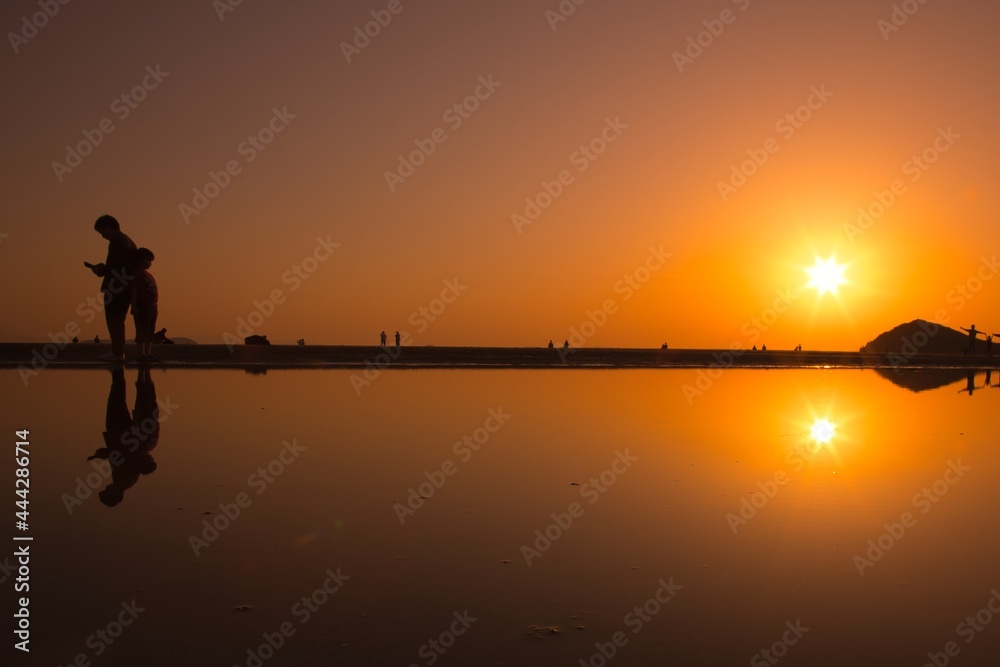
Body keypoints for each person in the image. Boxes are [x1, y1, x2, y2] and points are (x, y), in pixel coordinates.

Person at [85, 215, 137, 363]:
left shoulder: (117, 241)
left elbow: (115, 267)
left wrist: (99, 270)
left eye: (102, 232)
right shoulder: (129, 241)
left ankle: (117, 352)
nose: (102, 236)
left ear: (109, 227)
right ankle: (118, 351)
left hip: (115, 288)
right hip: (124, 286)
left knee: (114, 320)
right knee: (119, 321)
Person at [131, 248, 159, 363]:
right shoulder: (137, 274)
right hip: (142, 305)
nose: (149, 263)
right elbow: (134, 290)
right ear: (140, 260)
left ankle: (147, 353)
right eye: (148, 260)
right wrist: (133, 306)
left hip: (152, 306)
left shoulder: (147, 274)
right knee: (142, 329)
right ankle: (141, 354)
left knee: (150, 331)